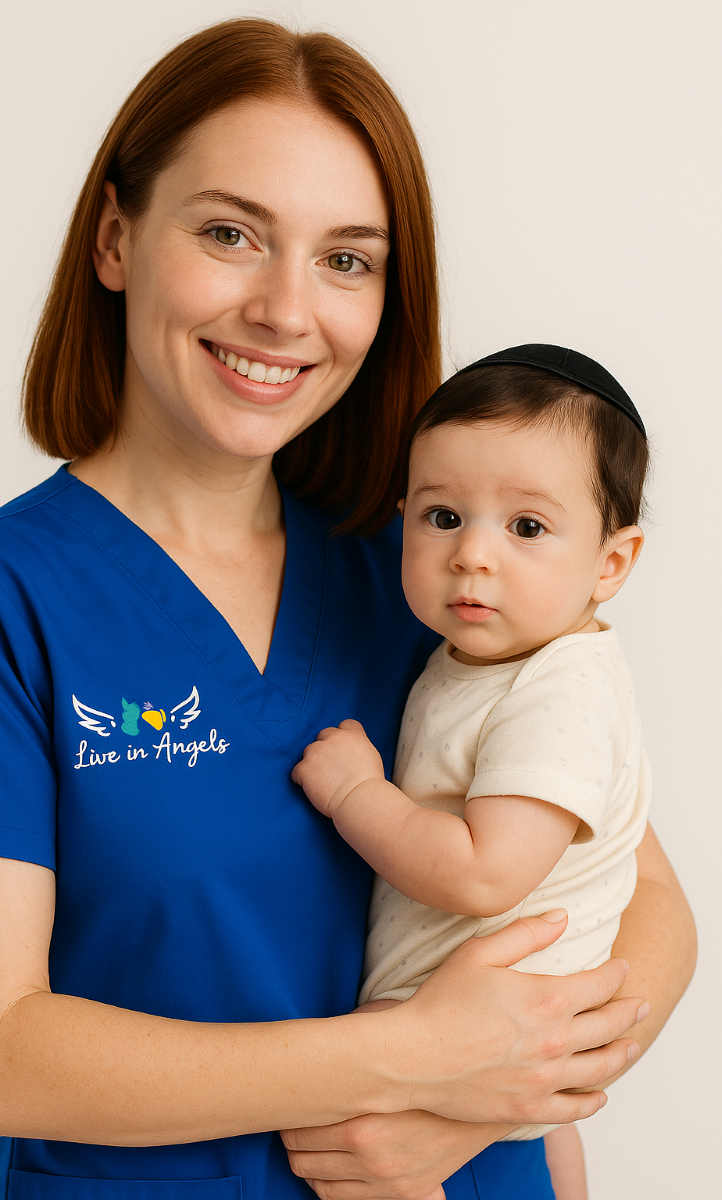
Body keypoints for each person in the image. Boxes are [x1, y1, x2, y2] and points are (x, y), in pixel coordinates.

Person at [0, 19, 694, 1200]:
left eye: (347, 259)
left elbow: (647, 906)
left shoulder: (434, 575)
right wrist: (408, 1063)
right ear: (117, 238)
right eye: (230, 233)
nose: (286, 311)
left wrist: (476, 1110)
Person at [292, 344, 653, 1199]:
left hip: (489, 1014)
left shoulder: (561, 688)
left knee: (356, 1092)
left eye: (526, 527)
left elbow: (486, 872)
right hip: (515, 1035)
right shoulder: (484, 655)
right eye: (442, 516)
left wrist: (356, 796)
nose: (472, 555)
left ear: (612, 562)